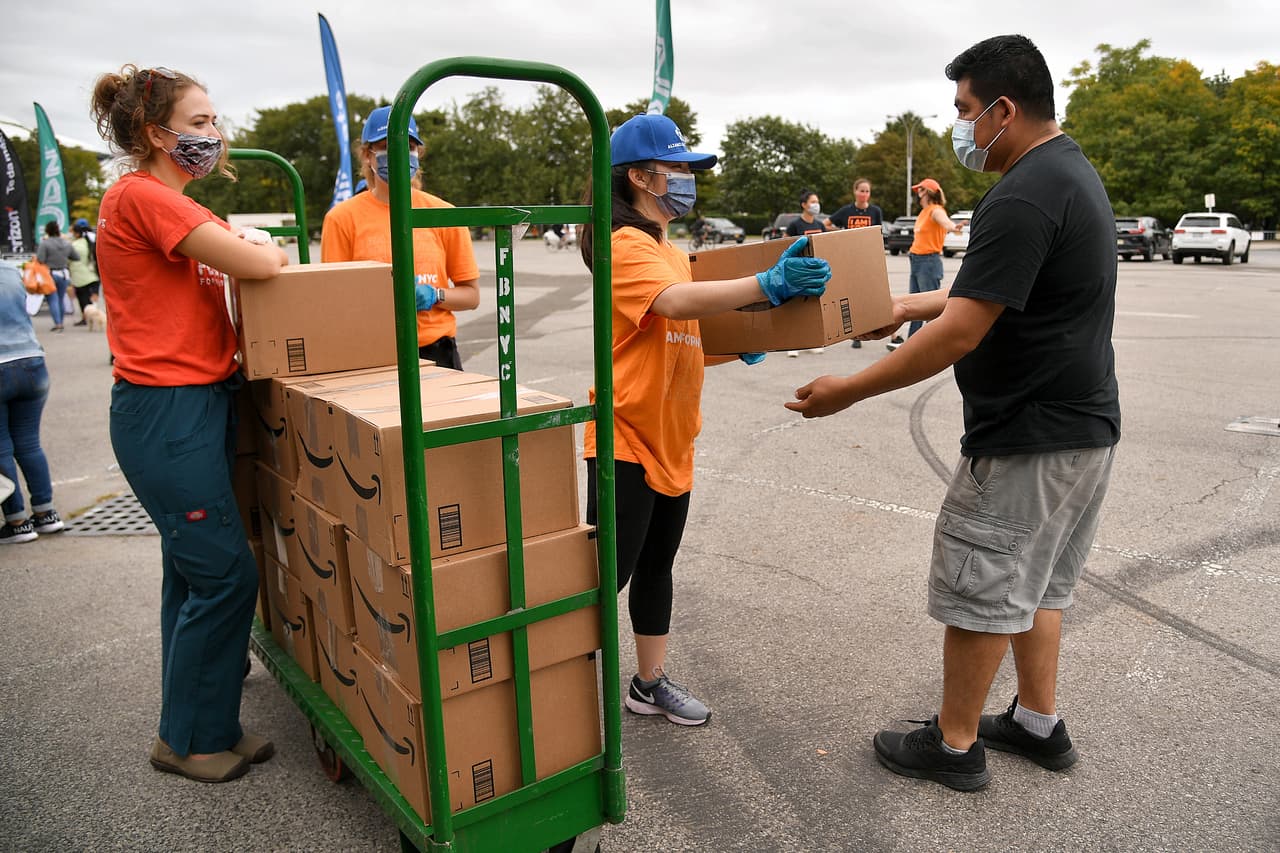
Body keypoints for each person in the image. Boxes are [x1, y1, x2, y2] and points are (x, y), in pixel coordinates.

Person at [787, 34, 1119, 792]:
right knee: (1039, 585)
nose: (962, 126)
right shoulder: (1068, 173)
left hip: (1029, 437)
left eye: (966, 110)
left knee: (984, 586)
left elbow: (965, 328)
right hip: (1083, 431)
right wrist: (900, 303)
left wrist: (849, 390)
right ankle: (1038, 721)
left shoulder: (1025, 191)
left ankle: (955, 741)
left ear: (1004, 108)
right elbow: (985, 292)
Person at [581, 113, 830, 726]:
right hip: (625, 434)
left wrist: (733, 346)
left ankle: (649, 682)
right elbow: (671, 304)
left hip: (673, 436)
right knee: (602, 577)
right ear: (640, 176)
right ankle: (552, 682)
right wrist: (764, 285)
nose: (689, 179)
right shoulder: (624, 245)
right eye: (680, 169)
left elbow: (677, 333)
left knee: (657, 567)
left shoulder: (668, 249)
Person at [91, 64, 288, 783]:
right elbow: (257, 263)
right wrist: (265, 252)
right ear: (155, 133)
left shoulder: (176, 202)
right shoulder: (144, 195)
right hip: (166, 409)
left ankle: (204, 728)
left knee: (191, 569)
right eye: (200, 124)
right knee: (226, 575)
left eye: (214, 121)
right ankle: (186, 740)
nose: (216, 135)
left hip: (194, 402)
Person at [321, 106, 479, 369]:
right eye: (385, 146)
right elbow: (334, 301)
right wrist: (379, 300)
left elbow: (471, 296)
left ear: (419, 153)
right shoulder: (342, 218)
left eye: (408, 146)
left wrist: (434, 294)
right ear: (367, 155)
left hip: (437, 352)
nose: (398, 153)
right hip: (371, 353)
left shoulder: (442, 213)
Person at [0, 261, 64, 543]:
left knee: (2, 446)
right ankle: (46, 512)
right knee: (29, 443)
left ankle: (16, 521)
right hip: (32, 361)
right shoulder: (11, 270)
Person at [888, 177, 963, 351]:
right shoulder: (923, 212)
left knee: (929, 308)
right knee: (913, 307)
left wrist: (953, 227)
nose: (917, 194)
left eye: (920, 190)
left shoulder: (935, 210)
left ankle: (935, 345)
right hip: (916, 260)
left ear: (927, 192)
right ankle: (912, 345)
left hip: (928, 262)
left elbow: (944, 221)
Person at [828, 179, 884, 348]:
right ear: (855, 191)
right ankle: (856, 335)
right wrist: (841, 233)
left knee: (874, 293)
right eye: (861, 191)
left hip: (868, 257)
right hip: (850, 258)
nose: (864, 194)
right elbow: (826, 224)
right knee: (853, 296)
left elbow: (878, 233)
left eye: (867, 191)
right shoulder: (846, 211)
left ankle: (888, 331)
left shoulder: (875, 211)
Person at [785, 191, 833, 357]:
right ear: (804, 204)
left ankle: (812, 341)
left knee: (812, 307)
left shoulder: (820, 225)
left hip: (814, 272)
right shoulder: (795, 225)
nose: (816, 205)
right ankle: (793, 343)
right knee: (795, 307)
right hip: (798, 272)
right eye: (812, 202)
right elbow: (783, 245)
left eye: (817, 201)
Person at [35, 221, 79, 332]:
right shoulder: (66, 243)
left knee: (52, 299)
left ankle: (58, 323)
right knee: (60, 298)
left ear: (47, 231)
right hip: (64, 273)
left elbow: (40, 259)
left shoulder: (45, 243)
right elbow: (76, 257)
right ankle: (61, 321)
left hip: (50, 274)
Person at [68, 218, 101, 325]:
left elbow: (69, 259)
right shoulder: (90, 241)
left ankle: (87, 317)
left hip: (80, 276)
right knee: (90, 298)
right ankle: (92, 316)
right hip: (92, 273)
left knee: (83, 300)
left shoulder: (75, 244)